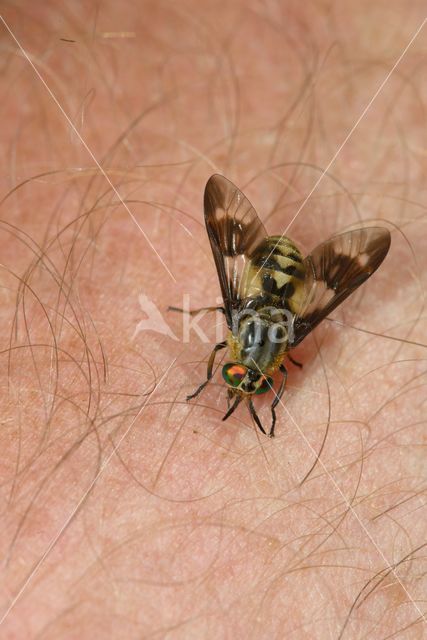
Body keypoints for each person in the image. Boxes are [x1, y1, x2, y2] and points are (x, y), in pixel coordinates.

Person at [0, 2, 425, 637]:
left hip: (265, 285)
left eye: (238, 377)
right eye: (242, 376)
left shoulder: (257, 345)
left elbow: (271, 335)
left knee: (265, 294)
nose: (239, 377)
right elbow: (287, 333)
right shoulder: (271, 348)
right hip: (275, 289)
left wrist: (260, 355)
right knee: (288, 300)